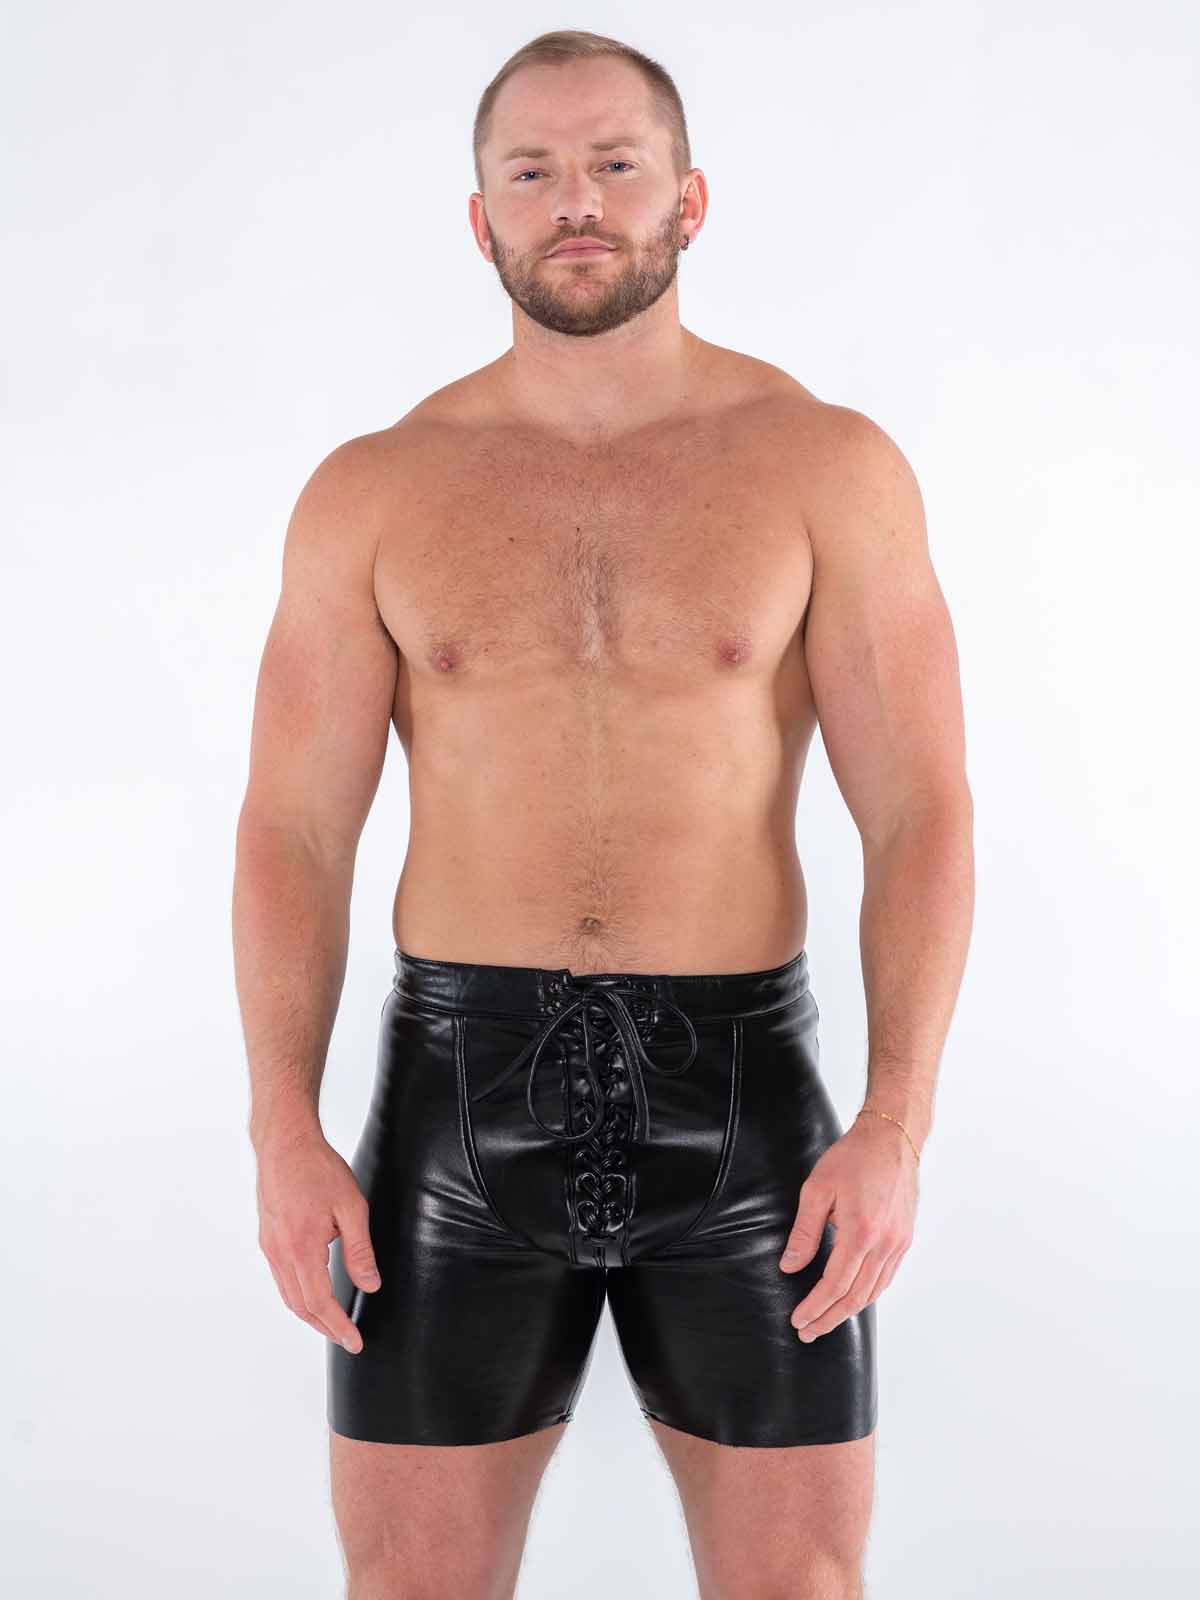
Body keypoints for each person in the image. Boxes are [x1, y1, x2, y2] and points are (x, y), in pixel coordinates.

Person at [232, 27, 974, 1600]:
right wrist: (281, 1128)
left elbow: (919, 810)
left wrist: (897, 1123)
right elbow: (294, 829)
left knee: (801, 1585)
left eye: (615, 165)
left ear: (687, 200)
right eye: (533, 172)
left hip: (745, 1105)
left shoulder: (825, 467)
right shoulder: (375, 489)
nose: (575, 203)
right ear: (480, 219)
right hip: (456, 1101)